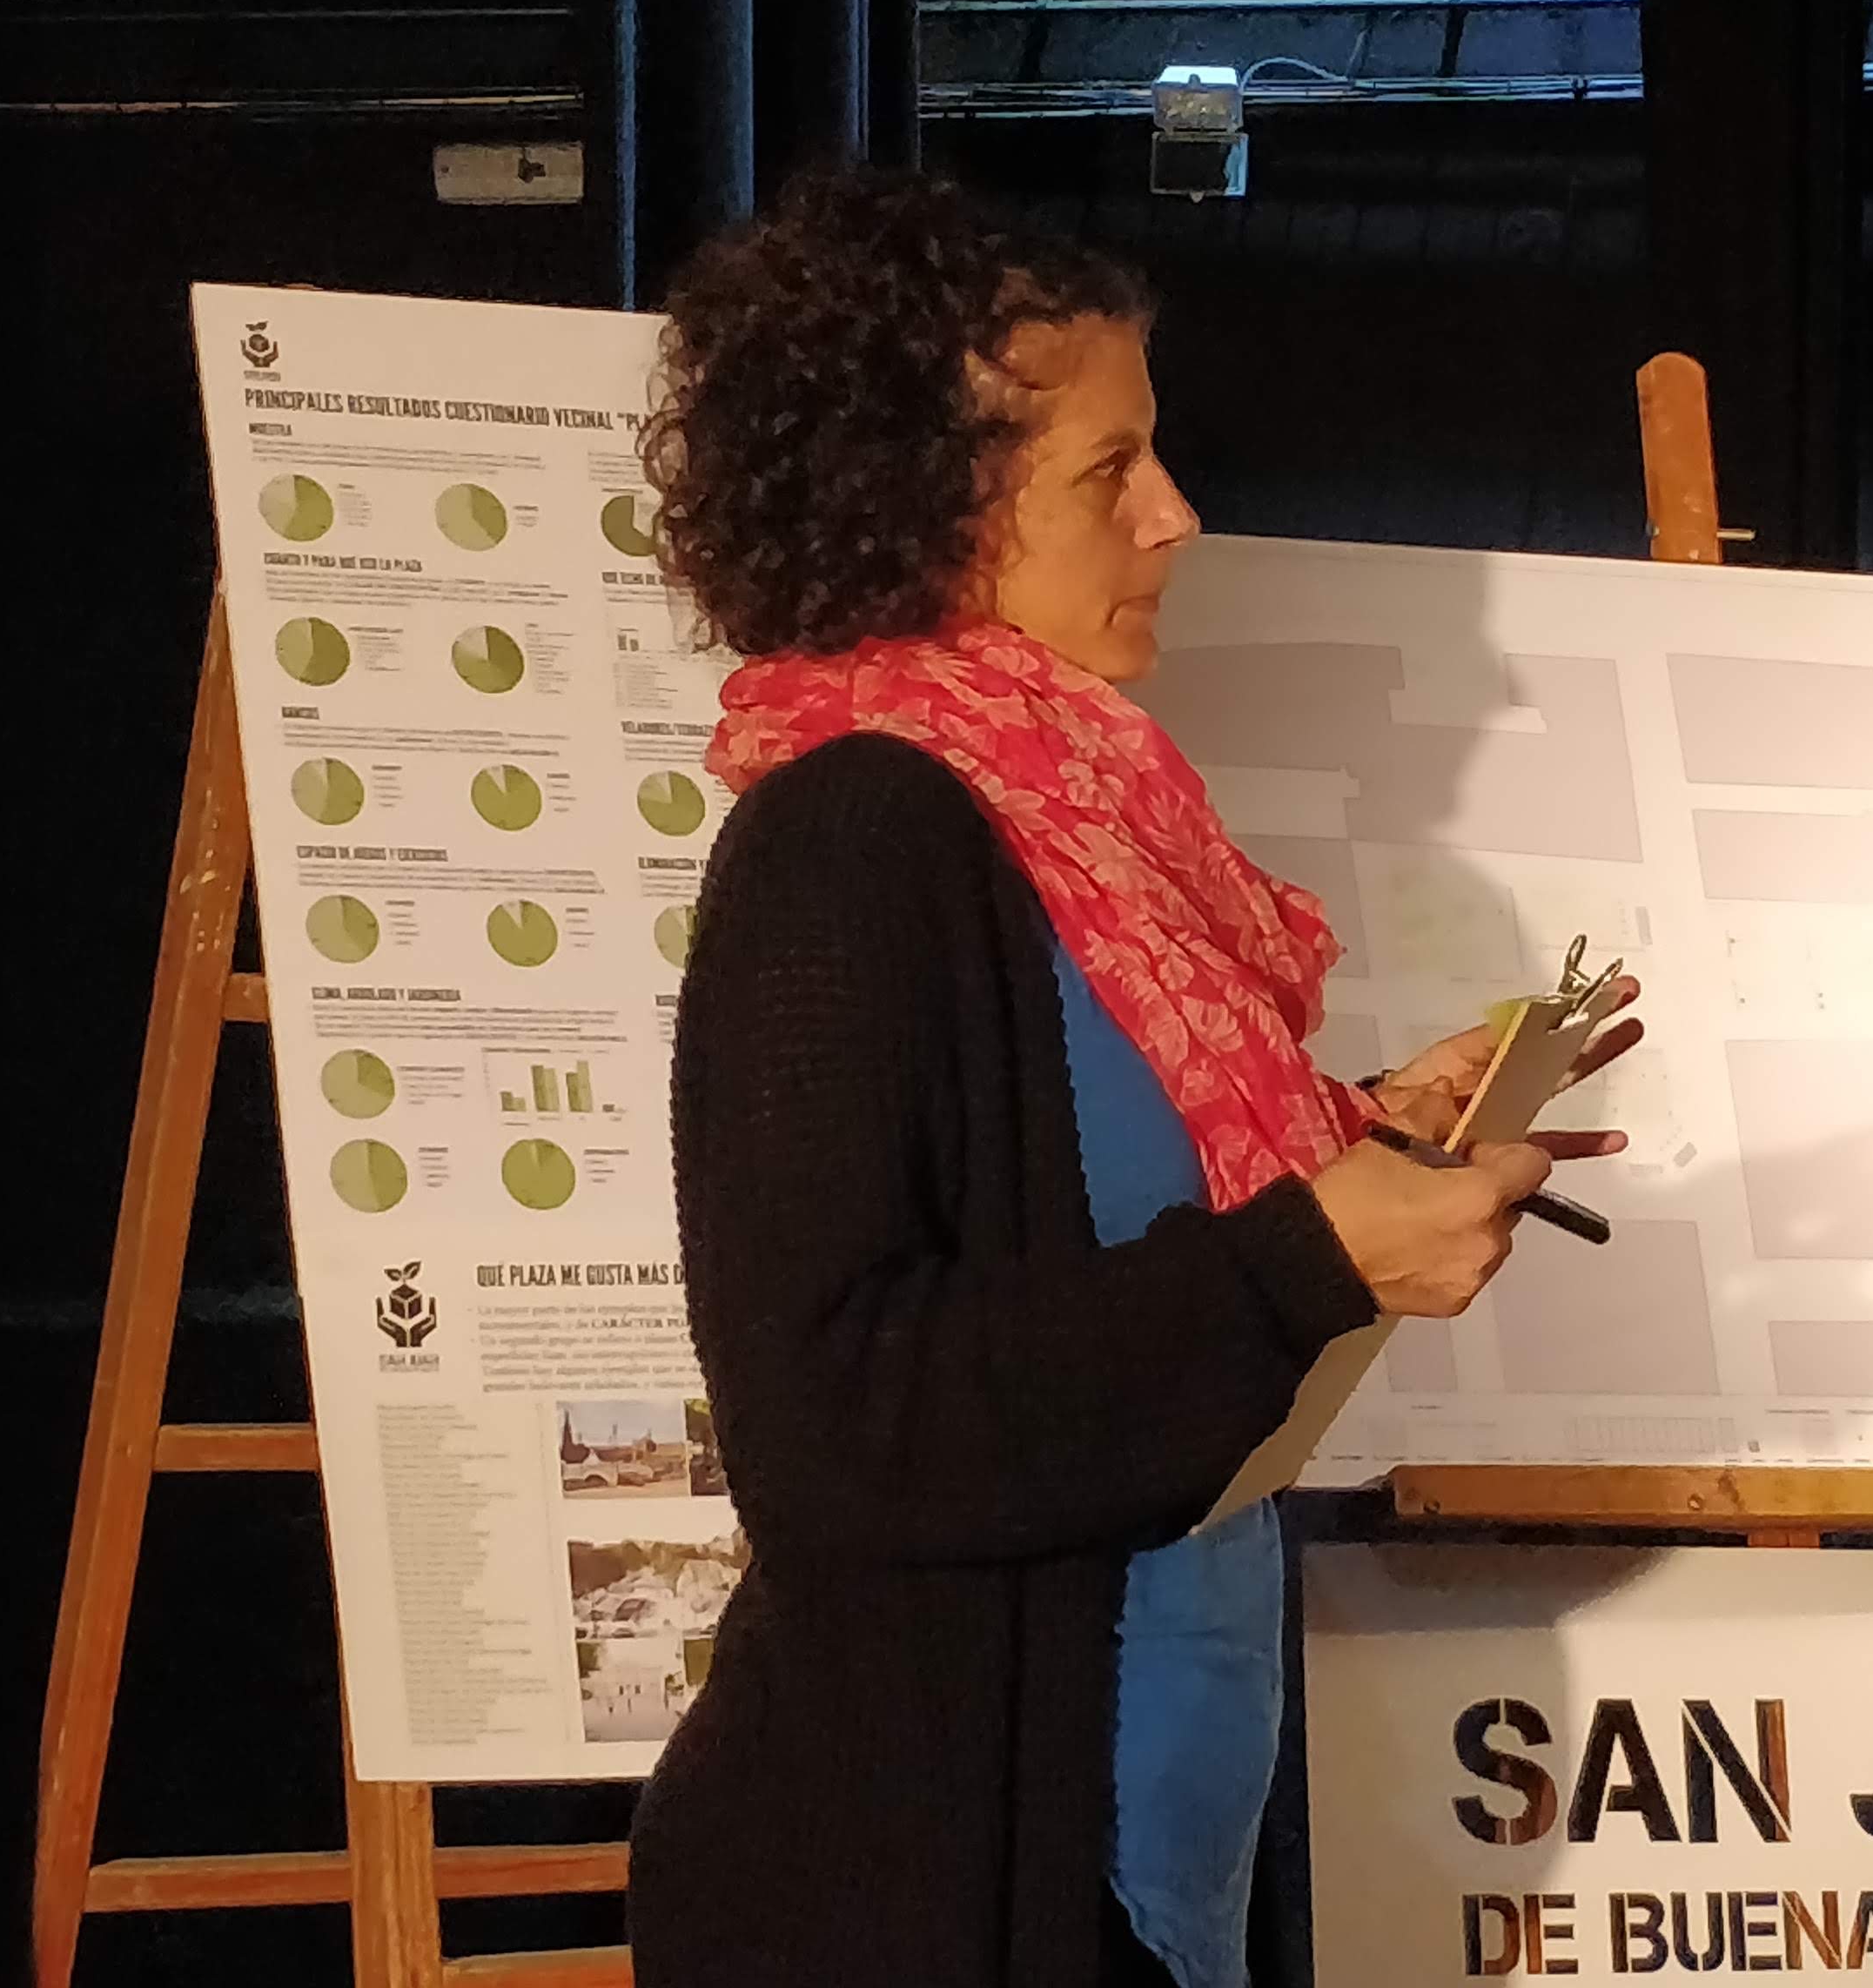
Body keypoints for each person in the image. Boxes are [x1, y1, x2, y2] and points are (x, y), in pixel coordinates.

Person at [624, 168, 1641, 1988]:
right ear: (922, 502)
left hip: (1130, 1866)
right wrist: (1310, 1256)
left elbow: (1094, 1227)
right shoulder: (854, 835)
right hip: (918, 1900)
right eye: (1111, 471)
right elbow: (836, 1422)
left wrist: (1375, 1141)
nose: (1176, 515)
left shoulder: (1081, 830)